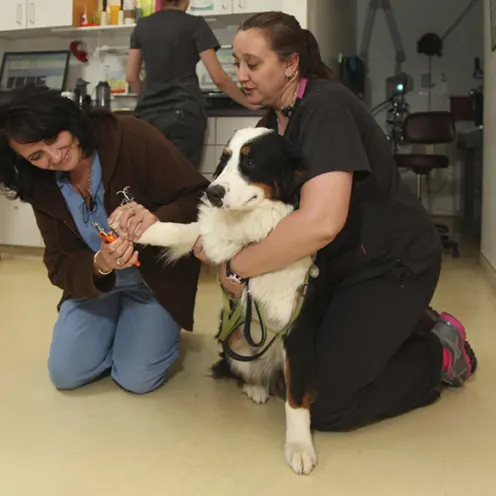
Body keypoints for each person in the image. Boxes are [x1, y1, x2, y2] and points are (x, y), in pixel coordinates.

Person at [194, 12, 478, 431]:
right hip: (338, 266)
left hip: (392, 262)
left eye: (252, 64)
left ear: (290, 64)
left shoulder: (326, 107)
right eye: (236, 63)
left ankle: (439, 351)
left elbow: (321, 223)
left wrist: (236, 267)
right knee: (299, 365)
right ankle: (407, 326)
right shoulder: (271, 124)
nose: (241, 75)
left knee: (324, 405)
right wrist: (213, 236)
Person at [0, 85, 209, 394]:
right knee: (66, 375)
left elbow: (199, 196)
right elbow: (59, 264)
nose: (54, 156)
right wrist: (99, 264)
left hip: (154, 282)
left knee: (136, 380)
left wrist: (157, 218)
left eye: (52, 139)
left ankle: (151, 326)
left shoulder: (130, 136)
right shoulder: (40, 185)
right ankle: (124, 326)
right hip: (98, 289)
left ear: (67, 120)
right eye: (36, 155)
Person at [126, 0, 256, 168]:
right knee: (183, 180)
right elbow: (219, 78)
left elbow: (131, 76)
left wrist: (147, 98)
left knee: (152, 180)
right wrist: (249, 103)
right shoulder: (194, 24)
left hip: (148, 117)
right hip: (184, 114)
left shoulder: (142, 26)